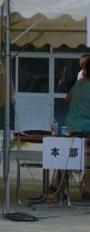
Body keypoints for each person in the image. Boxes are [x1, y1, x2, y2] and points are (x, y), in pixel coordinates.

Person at [65, 56, 90, 200]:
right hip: (87, 128)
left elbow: (67, 99)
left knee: (69, 156)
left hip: (73, 126)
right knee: (88, 161)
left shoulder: (79, 83)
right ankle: (87, 191)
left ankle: (56, 186)